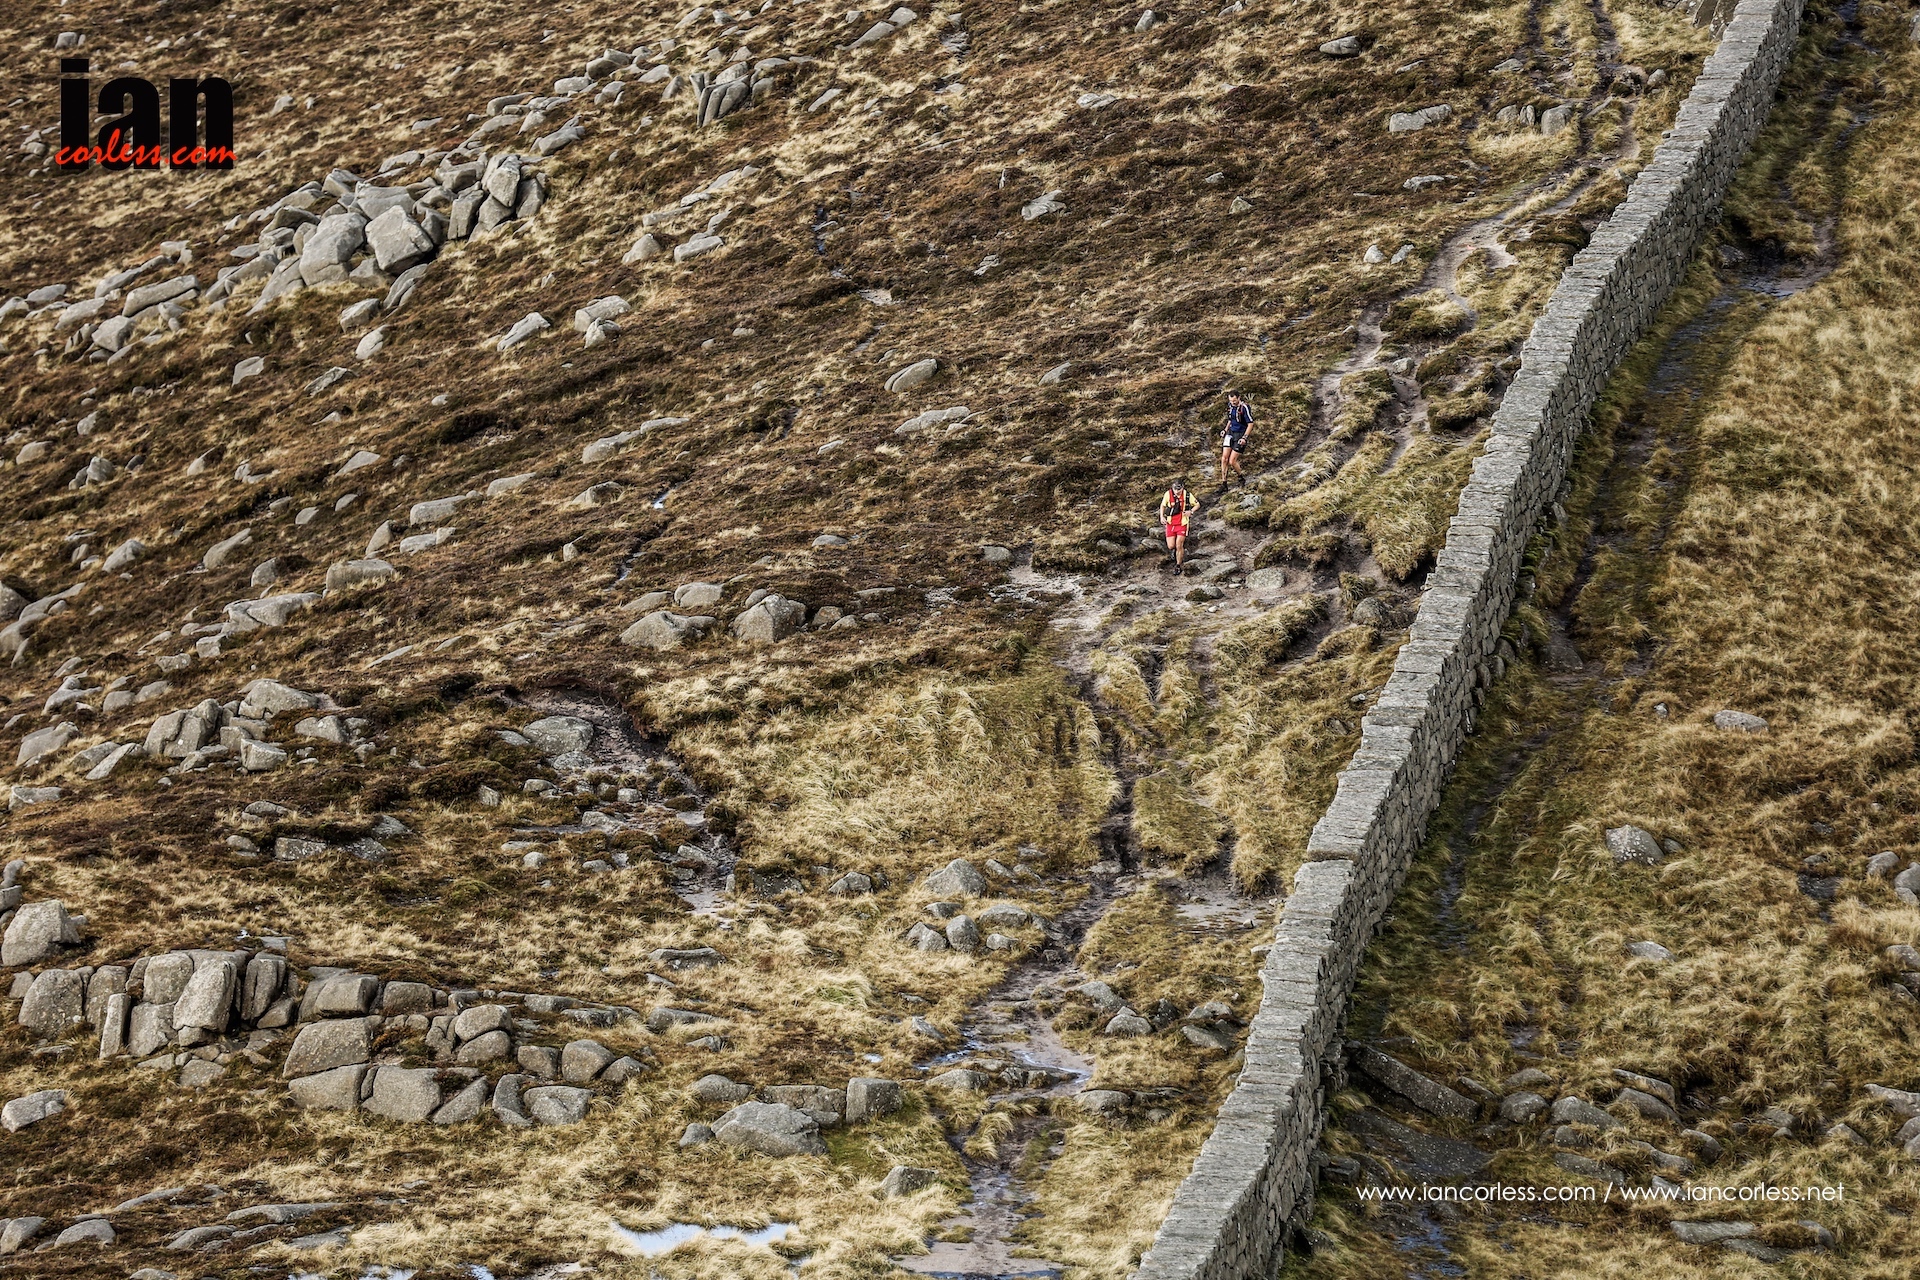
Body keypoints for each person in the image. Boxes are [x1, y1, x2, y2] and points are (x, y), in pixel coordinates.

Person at [1160, 480, 1199, 575]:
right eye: (1175, 489)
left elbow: (1197, 504)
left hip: (1182, 523)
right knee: (1171, 546)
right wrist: (1161, 517)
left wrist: (1191, 511)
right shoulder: (1168, 494)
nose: (1177, 492)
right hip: (1170, 523)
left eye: (1179, 489)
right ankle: (1176, 552)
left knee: (1179, 544)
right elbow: (1163, 505)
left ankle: (1178, 565)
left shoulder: (1187, 495)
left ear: (1182, 488)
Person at [1220, 390, 1253, 487]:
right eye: (1231, 401)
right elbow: (1230, 419)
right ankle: (1224, 483)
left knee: (1232, 461)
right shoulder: (1230, 406)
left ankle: (1241, 477)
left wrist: (1244, 438)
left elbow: (1250, 424)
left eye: (1234, 401)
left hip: (1240, 435)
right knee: (1224, 459)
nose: (1232, 403)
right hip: (1230, 433)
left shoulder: (1244, 407)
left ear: (1239, 398)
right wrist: (1225, 430)